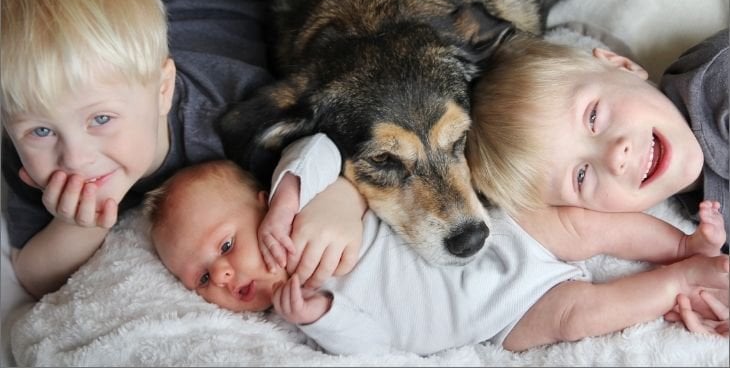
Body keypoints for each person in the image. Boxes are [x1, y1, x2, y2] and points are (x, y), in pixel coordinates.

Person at [145, 134, 729, 355]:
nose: (221, 276)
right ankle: (679, 280)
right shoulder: (298, 313)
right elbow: (376, 346)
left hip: (505, 236)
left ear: (258, 203)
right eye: (200, 279)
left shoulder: (295, 206)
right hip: (497, 315)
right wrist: (324, 317)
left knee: (582, 226)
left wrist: (288, 196)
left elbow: (319, 145)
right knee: (578, 317)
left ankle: (681, 248)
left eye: (224, 245)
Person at [1, 0, 361, 299]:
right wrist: (77, 224)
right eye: (42, 131)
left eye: (101, 119)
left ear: (162, 90)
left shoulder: (231, 114)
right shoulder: (27, 148)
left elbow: (338, 144)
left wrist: (340, 200)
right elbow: (33, 277)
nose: (75, 157)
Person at [465, 29, 728, 331]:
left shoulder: (716, 85)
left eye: (593, 117)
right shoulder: (696, 217)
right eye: (581, 175)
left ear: (622, 65)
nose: (616, 156)